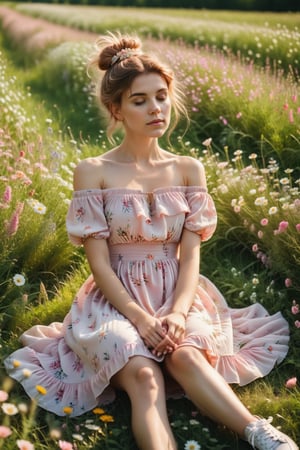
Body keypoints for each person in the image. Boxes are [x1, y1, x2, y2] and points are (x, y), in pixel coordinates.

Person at [5, 32, 298, 450]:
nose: (155, 108)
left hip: (178, 291)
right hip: (113, 298)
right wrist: (140, 320)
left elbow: (190, 253)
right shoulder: (94, 171)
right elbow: (99, 265)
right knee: (143, 374)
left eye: (160, 96)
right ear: (116, 109)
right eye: (139, 100)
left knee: (185, 355)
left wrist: (177, 313)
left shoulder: (187, 169)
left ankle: (263, 435)